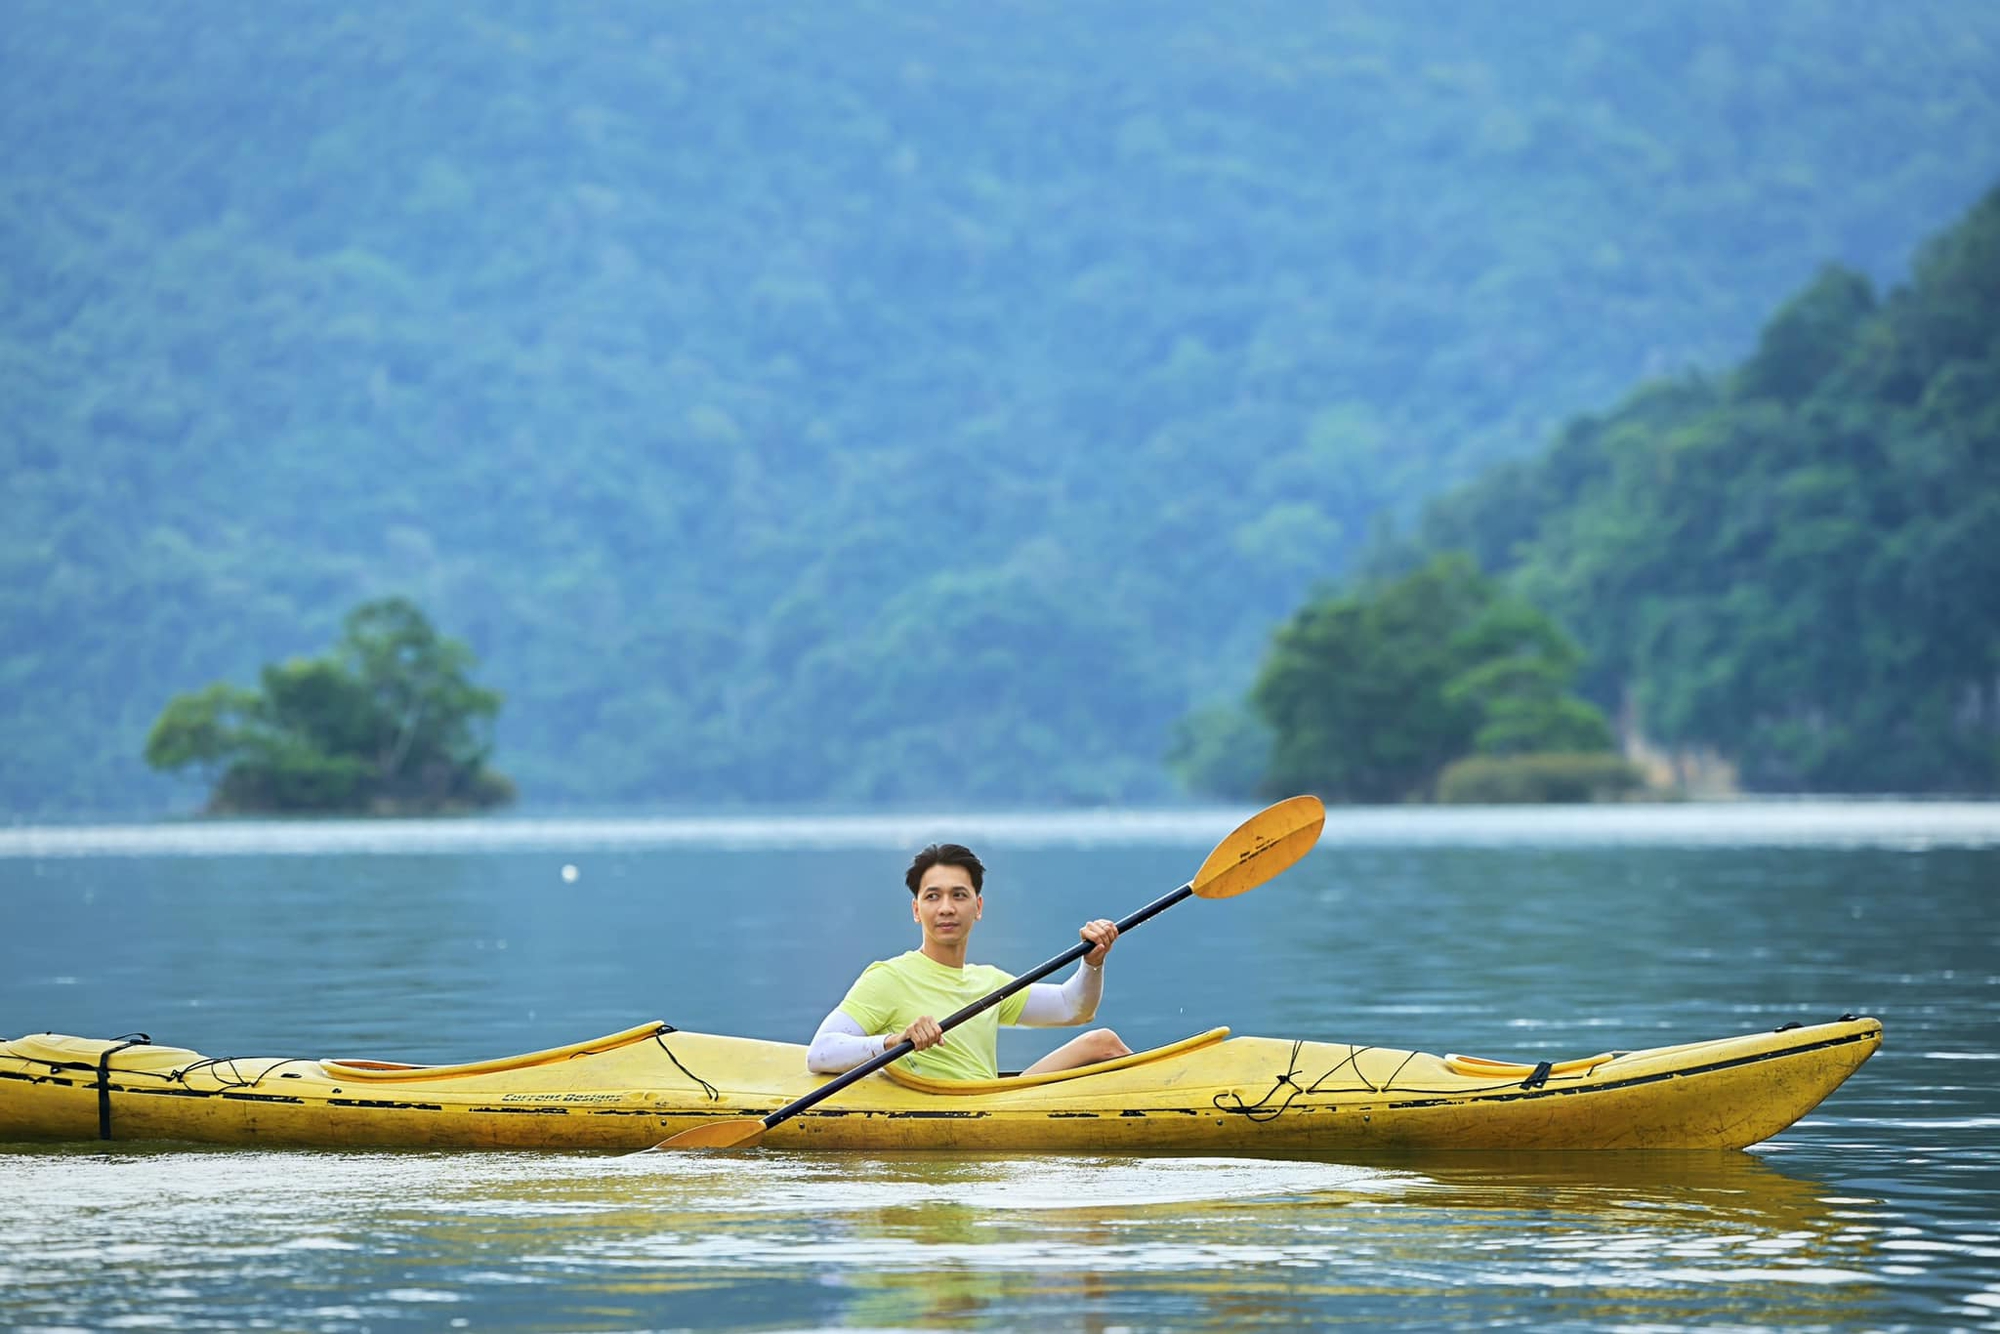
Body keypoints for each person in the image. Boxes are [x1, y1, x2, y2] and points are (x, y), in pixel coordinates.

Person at [806, 842, 1132, 1082]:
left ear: (978, 907)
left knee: (1102, 1043)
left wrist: (1092, 962)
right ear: (916, 910)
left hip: (993, 1104)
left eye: (958, 895)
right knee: (1103, 1044)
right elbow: (820, 1052)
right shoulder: (888, 978)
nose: (946, 908)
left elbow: (1072, 1008)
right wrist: (893, 1042)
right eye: (932, 896)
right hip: (948, 1110)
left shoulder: (989, 982)